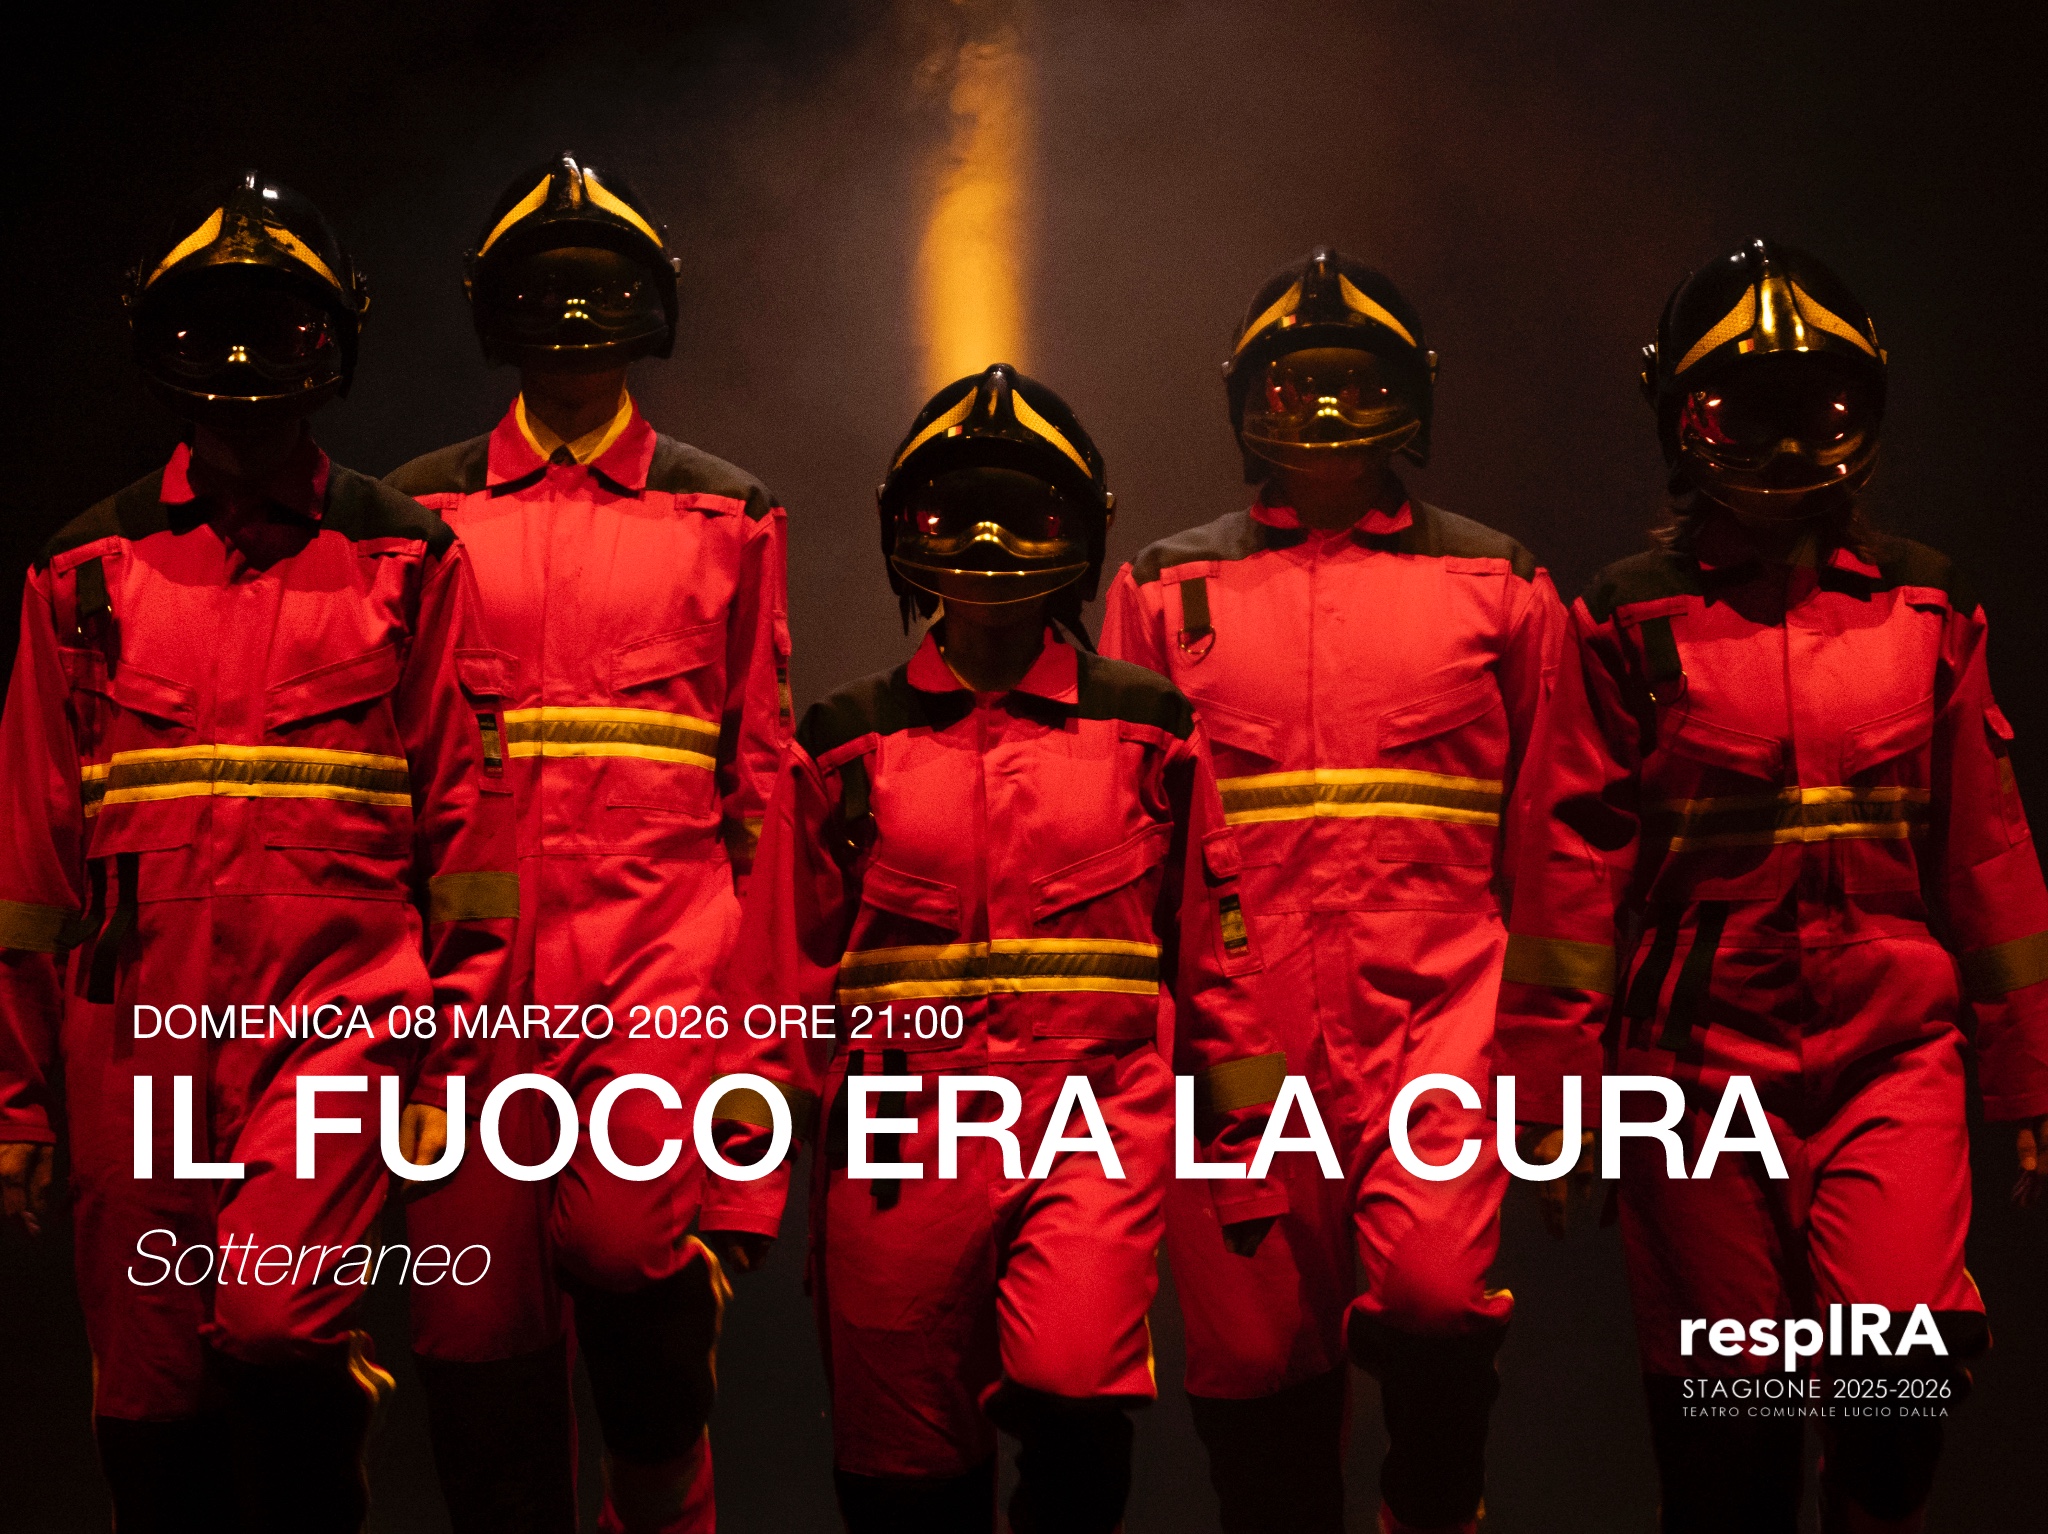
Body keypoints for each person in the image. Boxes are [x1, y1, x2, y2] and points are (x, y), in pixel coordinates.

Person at [1499, 238, 2048, 1533]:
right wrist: (1554, 1097)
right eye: (1745, 411)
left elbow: (1984, 849)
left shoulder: (1925, 609)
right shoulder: (1629, 621)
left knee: (1897, 1381)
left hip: (1890, 1059)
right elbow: (1569, 865)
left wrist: (2026, 1073)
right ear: (1682, 422)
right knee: (1726, 1426)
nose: (1789, 441)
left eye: (1820, 407)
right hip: (1694, 1074)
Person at [0, 172, 517, 1532]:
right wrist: (16, 1100)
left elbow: (471, 832)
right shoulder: (85, 571)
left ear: (332, 341)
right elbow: (31, 862)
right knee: (150, 1396)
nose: (241, 358)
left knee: (279, 1322)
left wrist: (450, 1059)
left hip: (341, 1020)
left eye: (275, 325)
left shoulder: (406, 557)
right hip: (136, 1036)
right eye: (211, 324)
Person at [699, 363, 1286, 1533]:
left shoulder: (1147, 730)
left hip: (1088, 1122)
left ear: (1078, 533)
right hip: (895, 1143)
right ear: (900, 529)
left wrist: (1247, 1158)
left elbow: (1215, 954)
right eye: (951, 513)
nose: (984, 541)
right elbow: (776, 970)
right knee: (901, 1470)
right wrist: (741, 1177)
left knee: (1074, 1389)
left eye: (1022, 513)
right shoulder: (845, 741)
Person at [1099, 248, 1570, 1534]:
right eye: (1291, 382)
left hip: (1436, 1016)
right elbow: (1121, 843)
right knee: (1256, 1367)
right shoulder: (1161, 590)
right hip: (1230, 1031)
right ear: (1243, 397)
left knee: (1433, 1298)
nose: (1318, 408)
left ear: (1407, 396)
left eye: (1352, 381)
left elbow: (1558, 834)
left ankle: (1435, 1506)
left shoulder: (1500, 586)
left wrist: (1551, 1063)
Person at [385, 151, 791, 1534]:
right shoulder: (418, 515)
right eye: (542, 290)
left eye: (598, 289)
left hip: (655, 968)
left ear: (647, 306)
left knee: (628, 1253)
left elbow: (760, 788)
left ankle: (661, 1508)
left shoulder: (724, 514)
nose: (571, 318)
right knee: (473, 1339)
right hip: (465, 988)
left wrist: (754, 1069)